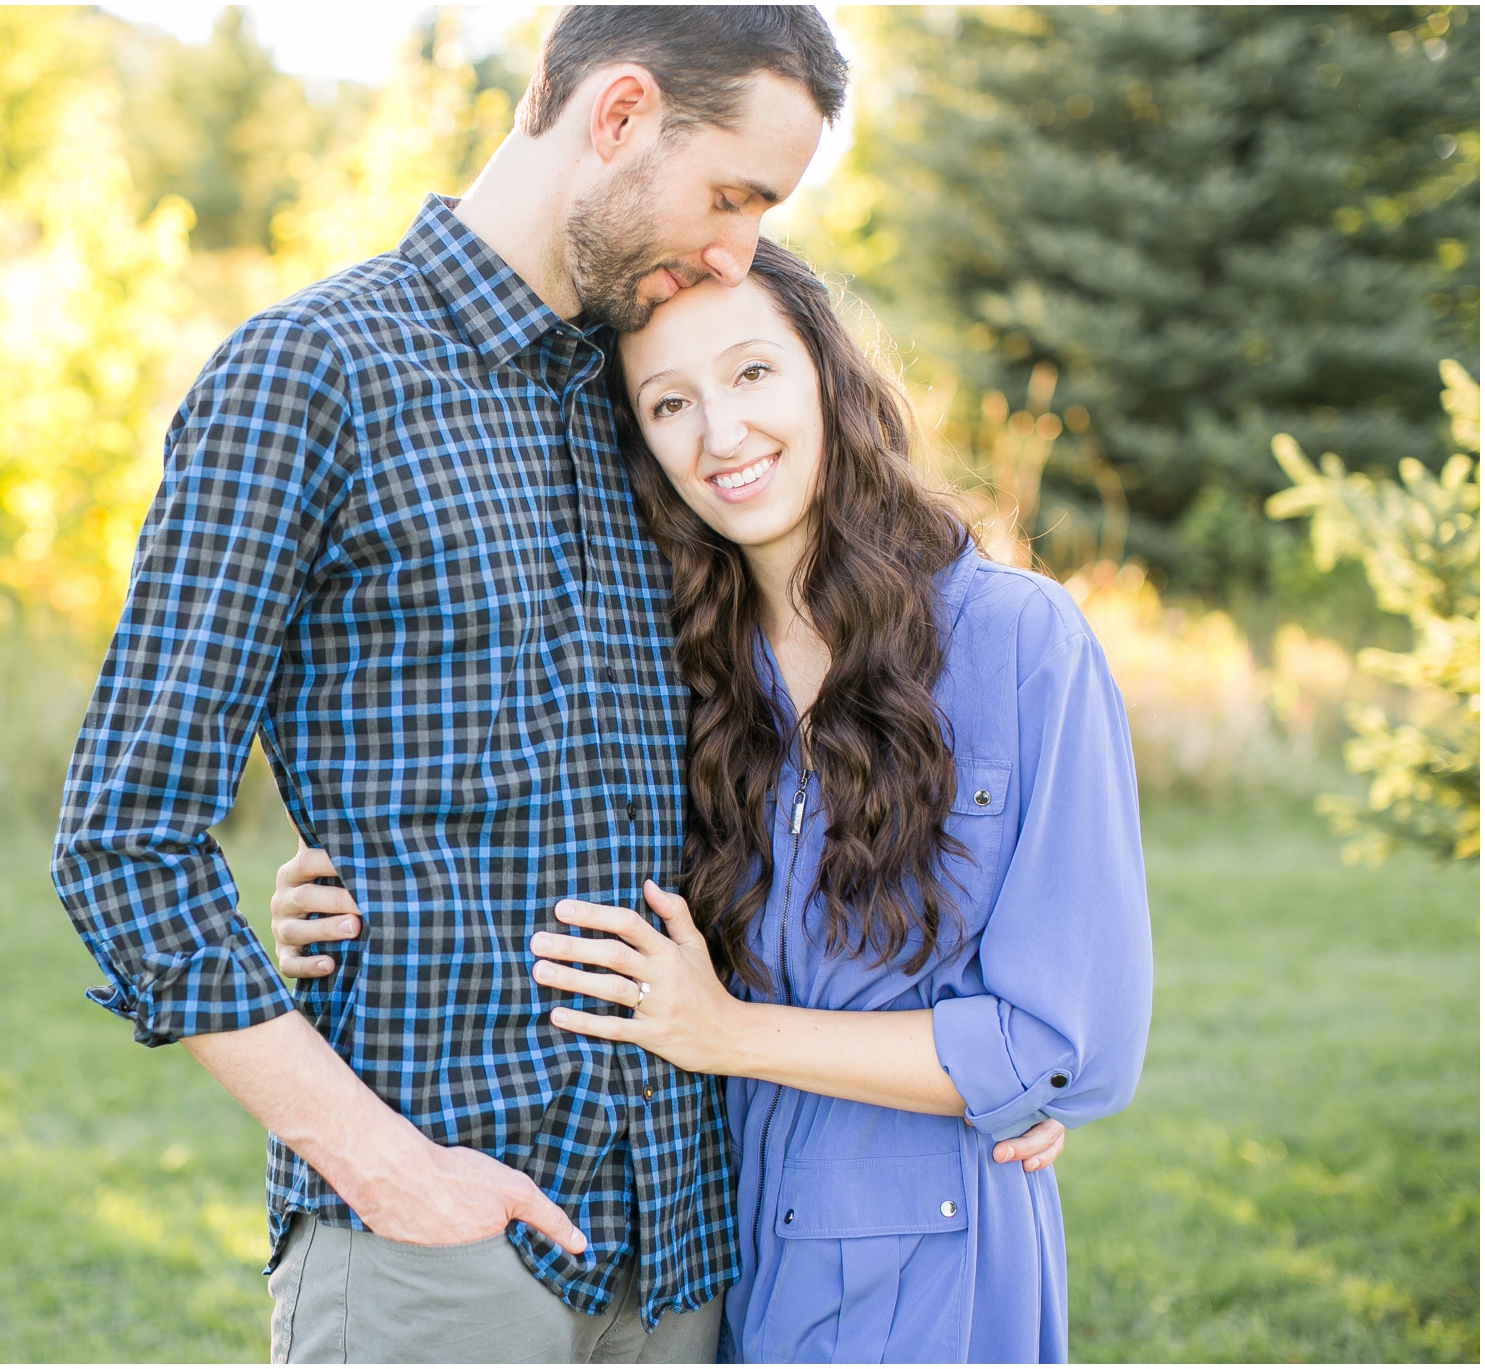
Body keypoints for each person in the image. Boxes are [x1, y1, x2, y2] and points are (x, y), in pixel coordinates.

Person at [55, 5, 1061, 1362]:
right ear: (620, 114)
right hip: (439, 1243)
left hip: (693, 1245)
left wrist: (981, 1058)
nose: (737, 248)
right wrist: (383, 1167)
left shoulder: (662, 396)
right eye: (732, 194)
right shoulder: (310, 376)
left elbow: (793, 754)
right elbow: (124, 837)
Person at [272, 242, 1153, 1362]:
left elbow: (1066, 1046)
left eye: (750, 374)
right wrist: (341, 891)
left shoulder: (1019, 640)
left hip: (929, 1269)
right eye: (668, 402)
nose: (720, 435)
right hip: (714, 1263)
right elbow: (545, 854)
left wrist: (728, 1033)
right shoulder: (676, 659)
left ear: (825, 373)